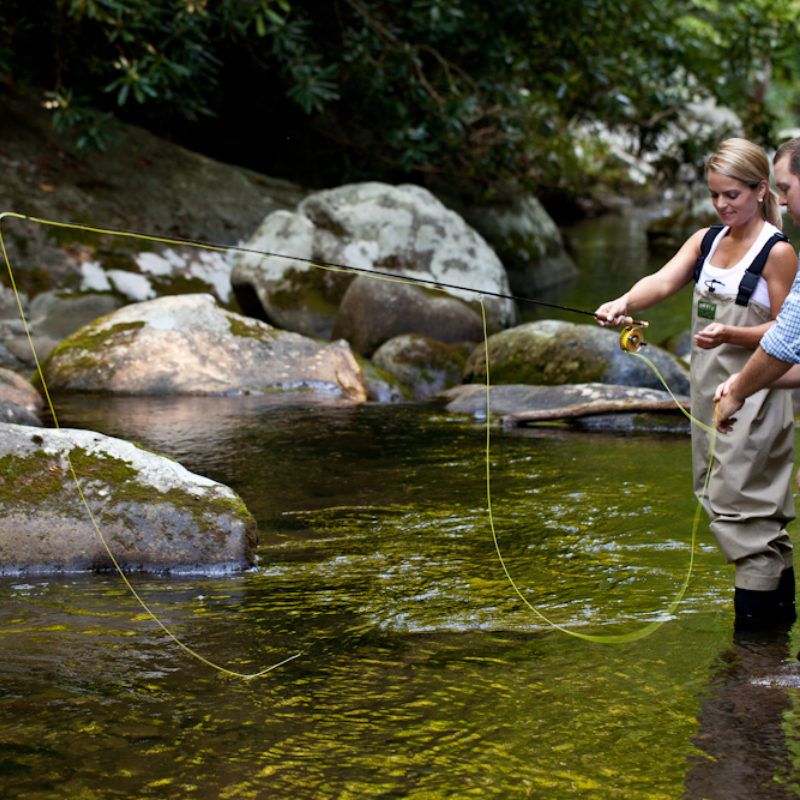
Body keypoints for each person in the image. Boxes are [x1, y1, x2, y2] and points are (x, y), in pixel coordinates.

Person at [596, 138, 798, 631]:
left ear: (760, 190)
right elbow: (662, 282)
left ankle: (753, 641)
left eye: (732, 194)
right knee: (726, 502)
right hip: (709, 397)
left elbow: (788, 333)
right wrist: (624, 302)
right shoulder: (706, 241)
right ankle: (778, 631)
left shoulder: (778, 252)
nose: (722, 205)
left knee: (741, 512)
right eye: (714, 195)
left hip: (758, 396)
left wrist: (732, 333)